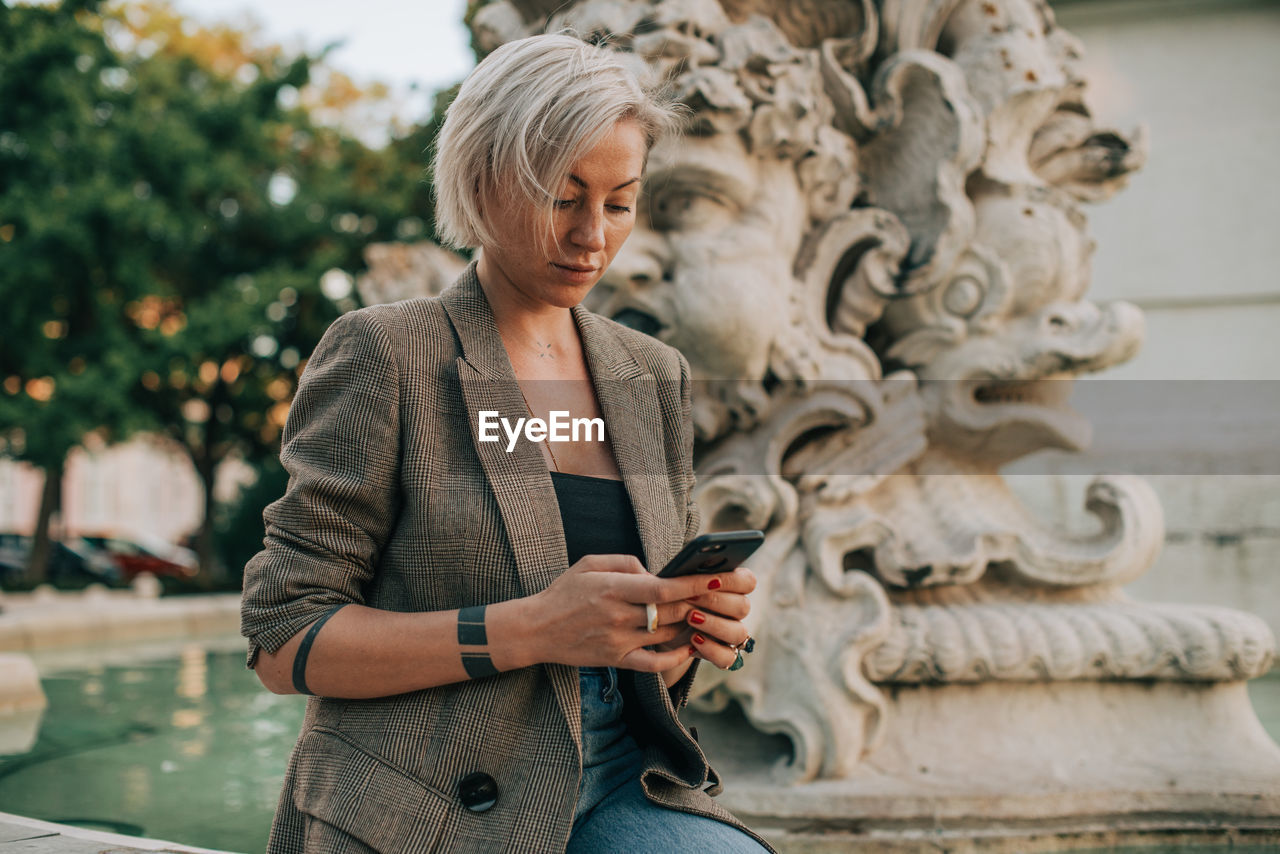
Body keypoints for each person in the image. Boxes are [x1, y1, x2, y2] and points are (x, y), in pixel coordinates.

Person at [240, 33, 773, 854]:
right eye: (561, 198)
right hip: (428, 808)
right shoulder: (386, 354)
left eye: (620, 202)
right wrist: (532, 628)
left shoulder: (651, 374)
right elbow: (282, 640)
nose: (593, 236)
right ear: (483, 182)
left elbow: (644, 666)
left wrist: (690, 634)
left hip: (620, 782)